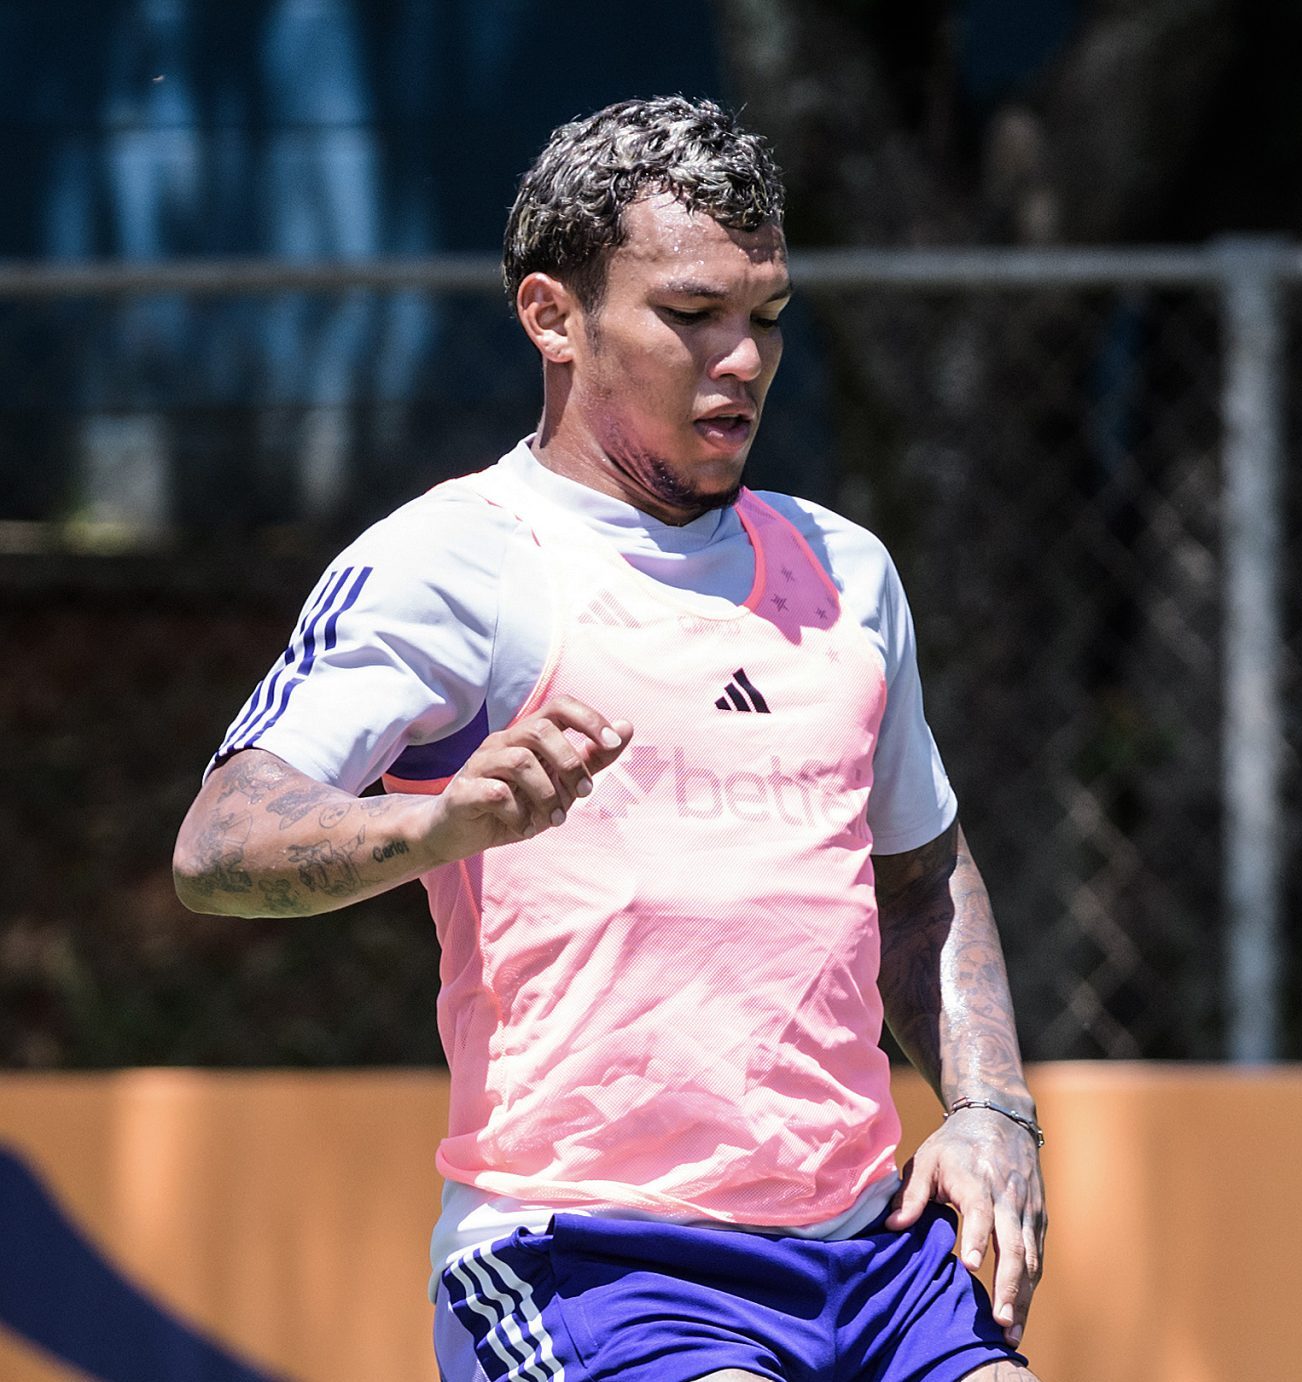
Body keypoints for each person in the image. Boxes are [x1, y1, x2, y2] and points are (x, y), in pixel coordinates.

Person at [172, 96, 1044, 1382]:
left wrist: (987, 1108)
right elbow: (219, 843)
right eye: (692, 316)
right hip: (594, 1260)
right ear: (551, 317)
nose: (741, 357)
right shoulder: (458, 561)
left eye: (767, 318)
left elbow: (923, 879)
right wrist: (434, 824)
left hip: (869, 1253)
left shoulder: (844, 570)